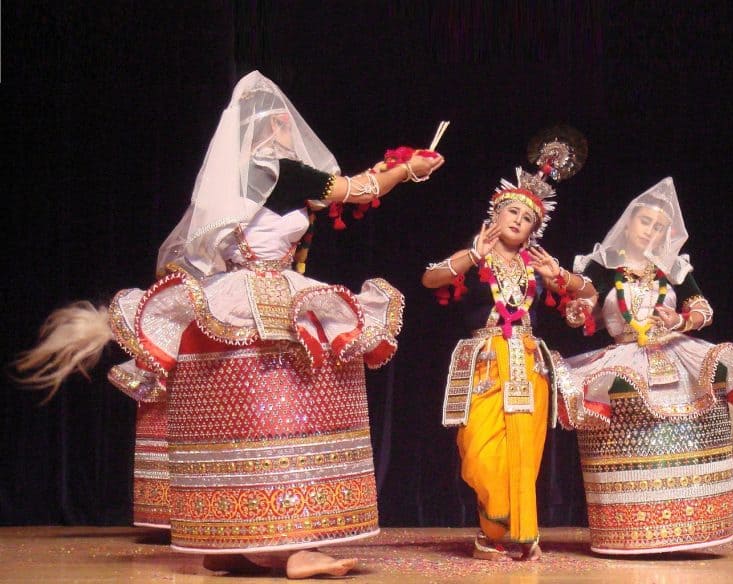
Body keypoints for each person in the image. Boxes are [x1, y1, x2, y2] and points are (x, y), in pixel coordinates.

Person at [14, 71, 444, 578]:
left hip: (227, 303)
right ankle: (296, 546)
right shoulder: (282, 171)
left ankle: (230, 544)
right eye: (284, 125)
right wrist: (410, 169)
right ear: (270, 132)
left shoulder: (228, 184)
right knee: (289, 412)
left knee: (238, 420)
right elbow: (356, 189)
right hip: (271, 303)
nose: (292, 132)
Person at [556, 177, 733, 554]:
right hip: (624, 357)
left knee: (683, 430)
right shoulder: (604, 266)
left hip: (675, 351)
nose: (651, 231)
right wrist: (576, 311)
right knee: (629, 432)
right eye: (645, 222)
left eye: (659, 226)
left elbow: (703, 309)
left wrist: (680, 321)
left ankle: (690, 524)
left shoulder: (673, 269)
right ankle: (634, 526)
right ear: (628, 222)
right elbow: (584, 307)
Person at [422, 132, 589, 561]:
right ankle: (497, 529)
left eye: (527, 218)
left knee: (524, 452)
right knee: (479, 451)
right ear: (495, 214)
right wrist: (471, 256)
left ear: (535, 228)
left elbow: (588, 297)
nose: (518, 220)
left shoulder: (537, 267)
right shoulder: (475, 257)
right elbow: (431, 279)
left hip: (528, 363)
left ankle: (512, 536)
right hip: (484, 363)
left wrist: (562, 277)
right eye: (511, 211)